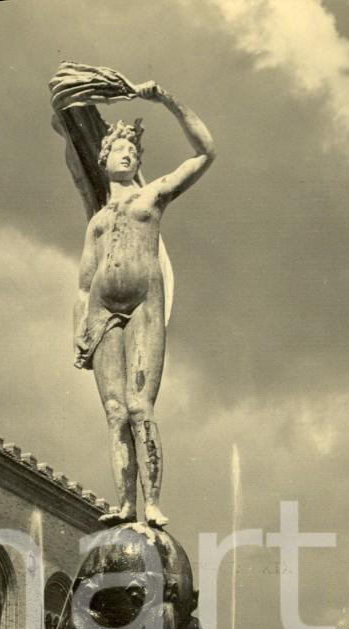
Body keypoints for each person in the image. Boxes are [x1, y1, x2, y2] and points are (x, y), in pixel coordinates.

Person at [74, 82, 215, 527]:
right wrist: (77, 331)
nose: (128, 155)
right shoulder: (97, 220)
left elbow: (205, 153)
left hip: (144, 306)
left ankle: (151, 502)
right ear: (104, 159)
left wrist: (168, 100)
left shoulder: (152, 195)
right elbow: (82, 283)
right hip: (101, 311)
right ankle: (125, 505)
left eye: (133, 152)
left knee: (140, 408)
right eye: (120, 150)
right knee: (115, 413)